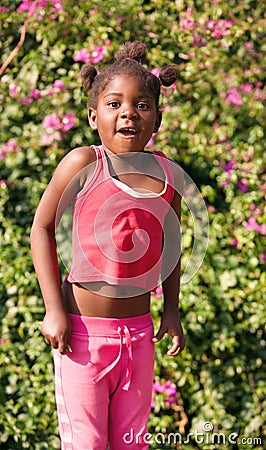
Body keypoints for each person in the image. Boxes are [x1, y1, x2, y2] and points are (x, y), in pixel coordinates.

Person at [30, 40, 185, 450]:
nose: (129, 113)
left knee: (132, 443)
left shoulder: (169, 177)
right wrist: (53, 310)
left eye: (142, 105)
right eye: (115, 104)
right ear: (93, 116)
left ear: (159, 118)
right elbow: (41, 228)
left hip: (139, 335)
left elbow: (172, 246)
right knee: (86, 443)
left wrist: (171, 309)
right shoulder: (83, 164)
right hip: (82, 337)